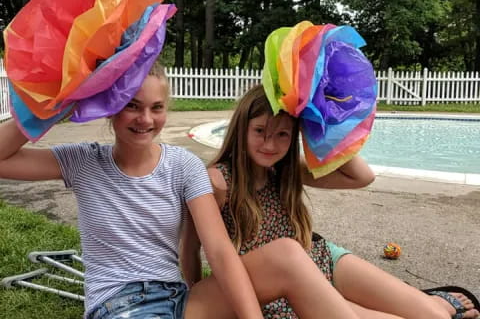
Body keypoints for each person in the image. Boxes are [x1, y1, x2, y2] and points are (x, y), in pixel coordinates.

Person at [0, 62, 375, 319]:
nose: (145, 119)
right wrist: (51, 108)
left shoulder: (184, 166)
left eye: (156, 107)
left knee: (288, 256)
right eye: (132, 106)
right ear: (112, 108)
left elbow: (220, 251)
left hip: (182, 301)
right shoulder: (81, 161)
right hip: (118, 304)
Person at [181, 84, 480, 319]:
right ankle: (399, 304)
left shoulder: (286, 171)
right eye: (260, 131)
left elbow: (362, 176)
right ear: (241, 129)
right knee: (428, 316)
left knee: (431, 314)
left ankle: (420, 302)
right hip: (277, 285)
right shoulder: (217, 181)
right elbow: (192, 247)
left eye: (282, 134)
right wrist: (206, 299)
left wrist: (317, 128)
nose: (270, 144)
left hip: (318, 257)